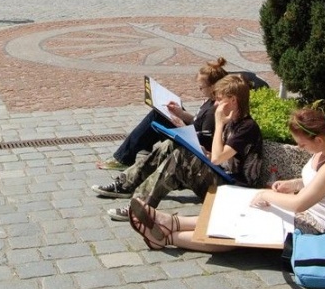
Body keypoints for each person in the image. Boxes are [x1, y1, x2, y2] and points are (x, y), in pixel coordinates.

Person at [127, 108, 325, 252]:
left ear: (319, 140)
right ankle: (169, 222)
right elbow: (316, 184)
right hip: (304, 216)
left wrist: (268, 194)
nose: (302, 149)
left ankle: (168, 236)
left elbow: (301, 204)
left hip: (318, 229)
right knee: (241, 209)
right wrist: (293, 184)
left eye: (302, 144)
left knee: (238, 229)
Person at [92, 74, 263, 221]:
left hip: (234, 190)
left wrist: (219, 125)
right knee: (170, 145)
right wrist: (203, 152)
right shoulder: (230, 122)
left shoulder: (246, 127)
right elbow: (219, 157)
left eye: (219, 99)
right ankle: (125, 184)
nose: (216, 105)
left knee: (180, 157)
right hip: (221, 177)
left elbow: (219, 159)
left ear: (233, 100)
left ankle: (140, 207)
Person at [97, 62, 269, 171]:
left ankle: (126, 158)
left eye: (201, 88)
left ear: (213, 87)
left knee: (156, 119)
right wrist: (181, 113)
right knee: (160, 114)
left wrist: (181, 125)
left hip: (198, 144)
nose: (200, 91)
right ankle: (132, 155)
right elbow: (197, 120)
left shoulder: (216, 110)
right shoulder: (211, 102)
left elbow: (205, 141)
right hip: (195, 133)